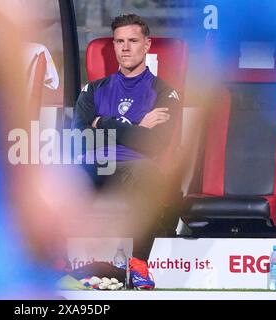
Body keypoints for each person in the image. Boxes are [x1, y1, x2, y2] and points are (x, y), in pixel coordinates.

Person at [73, 14, 182, 289]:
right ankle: (51, 262)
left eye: (133, 41)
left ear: (147, 45)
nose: (125, 47)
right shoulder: (94, 90)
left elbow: (155, 144)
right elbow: (81, 137)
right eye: (119, 41)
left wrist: (104, 123)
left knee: (152, 178)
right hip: (96, 164)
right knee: (54, 176)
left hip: (136, 168)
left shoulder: (164, 92)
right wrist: (136, 127)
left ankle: (138, 265)